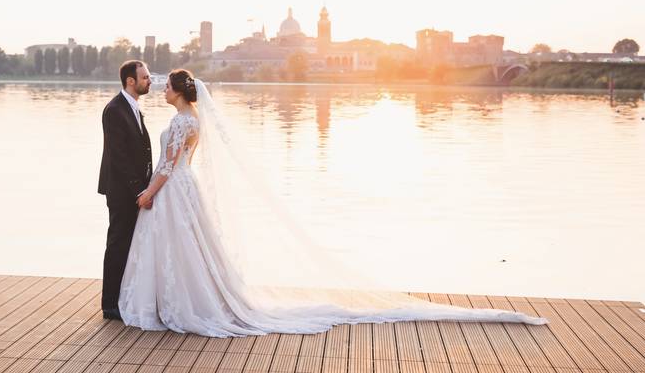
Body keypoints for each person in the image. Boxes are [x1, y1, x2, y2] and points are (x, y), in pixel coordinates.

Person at [117, 69, 547, 337]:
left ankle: (178, 303)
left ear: (176, 90)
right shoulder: (194, 120)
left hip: (173, 189)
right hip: (185, 190)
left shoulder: (180, 122)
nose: (160, 86)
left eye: (165, 83)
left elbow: (171, 165)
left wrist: (149, 193)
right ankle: (194, 297)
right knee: (191, 250)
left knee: (180, 249)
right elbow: (181, 163)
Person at [97, 60, 152, 320]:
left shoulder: (133, 108)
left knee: (130, 243)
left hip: (134, 189)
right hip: (121, 190)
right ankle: (110, 305)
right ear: (131, 81)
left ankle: (124, 296)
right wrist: (139, 191)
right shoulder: (115, 110)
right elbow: (118, 156)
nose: (149, 81)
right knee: (118, 243)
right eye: (145, 77)